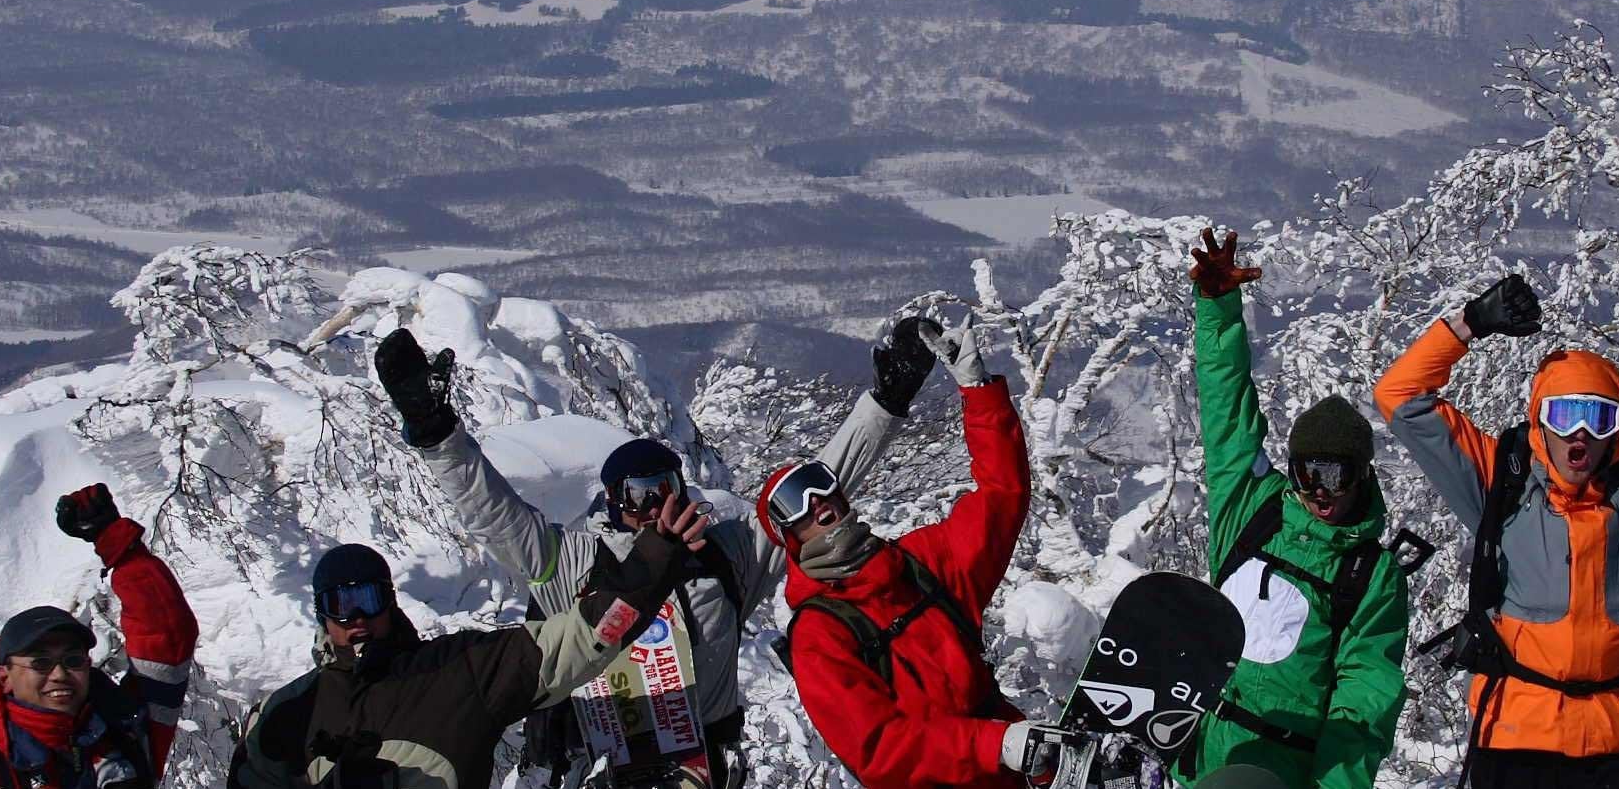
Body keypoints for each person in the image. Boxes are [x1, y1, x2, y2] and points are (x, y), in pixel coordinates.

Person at [395, 314, 931, 789]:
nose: (655, 505)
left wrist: (885, 403)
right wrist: (437, 433)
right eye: (638, 493)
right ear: (611, 501)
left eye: (666, 486)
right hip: (604, 768)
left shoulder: (726, 554)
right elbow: (493, 513)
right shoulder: (575, 563)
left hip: (704, 766)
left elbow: (812, 494)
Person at [1374, 273, 1619, 789]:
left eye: (1599, 417)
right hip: (1517, 740)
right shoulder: (1501, 480)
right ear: (1539, 420)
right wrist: (1468, 324)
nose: (1580, 433)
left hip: (1618, 744)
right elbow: (1399, 395)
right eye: (1564, 414)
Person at [224, 500, 712, 789]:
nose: (356, 618)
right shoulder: (287, 711)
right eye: (340, 604)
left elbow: (583, 636)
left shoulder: (460, 672)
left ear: (390, 603)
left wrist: (656, 556)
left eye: (368, 600)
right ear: (321, 613)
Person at [769, 312, 1053, 789]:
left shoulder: (920, 565)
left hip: (1018, 773)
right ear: (788, 540)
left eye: (822, 489)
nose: (816, 505)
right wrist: (992, 745)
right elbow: (881, 750)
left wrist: (978, 389)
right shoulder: (820, 635)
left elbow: (1000, 499)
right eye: (793, 507)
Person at [1180, 227, 1410, 789]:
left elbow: (1362, 705)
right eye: (1309, 473)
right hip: (1197, 760)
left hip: (1279, 775)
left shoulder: (1368, 574)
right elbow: (1226, 409)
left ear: (1362, 475)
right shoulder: (1253, 508)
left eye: (1339, 474)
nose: (1322, 491)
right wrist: (1217, 308)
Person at [0, 483, 199, 789]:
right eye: (40, 663)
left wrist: (118, 546)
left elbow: (167, 636)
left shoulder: (127, 731)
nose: (59, 674)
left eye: (72, 660)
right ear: (4, 677)